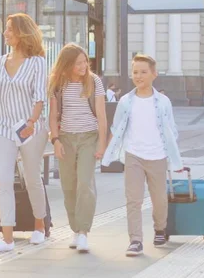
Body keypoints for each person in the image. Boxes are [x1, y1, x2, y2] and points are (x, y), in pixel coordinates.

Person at [102, 54, 183, 257]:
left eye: (143, 72)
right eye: (135, 72)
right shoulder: (126, 101)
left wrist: (172, 155)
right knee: (133, 200)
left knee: (159, 199)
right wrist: (107, 150)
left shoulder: (163, 102)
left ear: (154, 74)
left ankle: (160, 228)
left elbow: (172, 129)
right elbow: (117, 126)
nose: (138, 76)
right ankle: (135, 240)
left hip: (158, 156)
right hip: (134, 156)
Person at [0, 13, 48, 253]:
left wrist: (32, 121)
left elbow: (40, 96)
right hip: (2, 127)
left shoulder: (37, 62)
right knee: (3, 180)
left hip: (30, 127)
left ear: (22, 33)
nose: (5, 33)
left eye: (10, 29)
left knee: (31, 177)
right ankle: (7, 238)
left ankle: (40, 226)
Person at [48, 43, 107, 253]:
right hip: (65, 138)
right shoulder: (58, 83)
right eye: (79, 63)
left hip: (88, 137)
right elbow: (54, 116)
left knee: (84, 183)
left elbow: (101, 115)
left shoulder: (94, 82)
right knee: (68, 186)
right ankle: (75, 229)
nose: (84, 66)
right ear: (67, 64)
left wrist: (102, 143)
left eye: (85, 61)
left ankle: (83, 232)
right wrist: (55, 140)